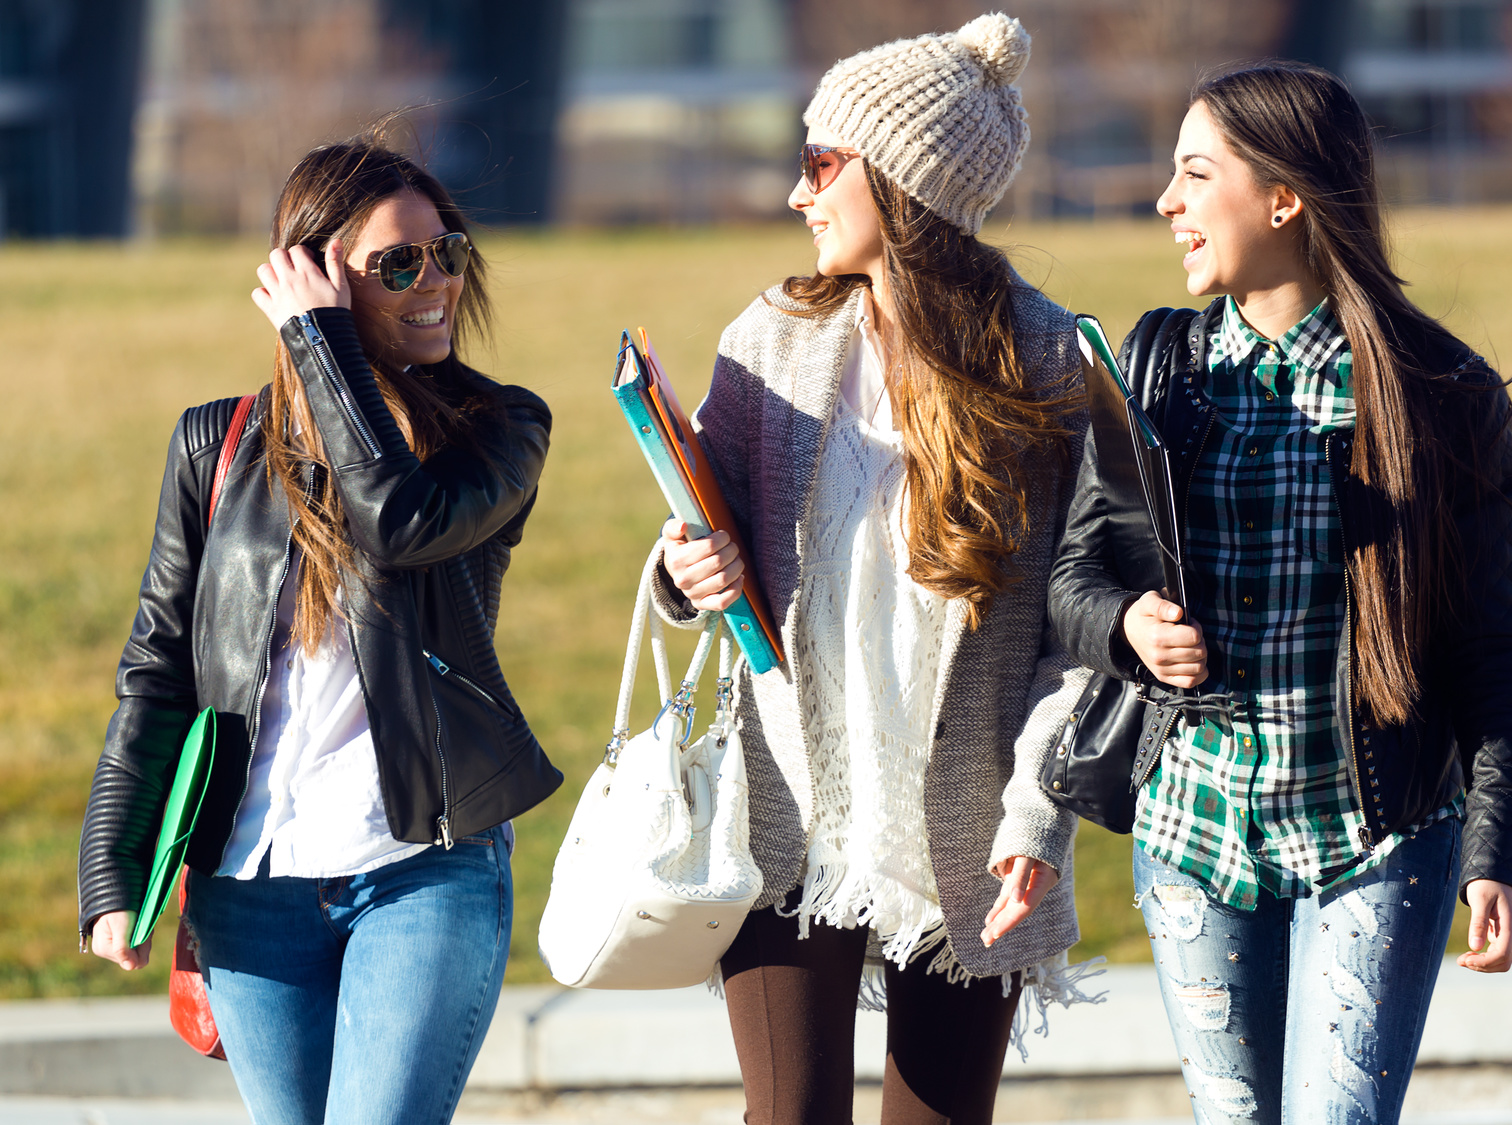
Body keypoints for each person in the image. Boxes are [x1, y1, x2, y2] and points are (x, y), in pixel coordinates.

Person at [1048, 62, 1512, 1124]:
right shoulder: (1156, 365)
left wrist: (1495, 854)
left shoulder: (1438, 395)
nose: (1164, 203)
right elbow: (1074, 580)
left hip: (1375, 840)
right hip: (1191, 838)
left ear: (1283, 198)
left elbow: (1490, 649)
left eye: (1193, 175)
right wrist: (1127, 626)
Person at [651, 14, 1095, 1125]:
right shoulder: (772, 340)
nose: (797, 194)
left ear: (900, 182)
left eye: (818, 164)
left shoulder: (1043, 361)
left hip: (966, 831)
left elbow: (1071, 633)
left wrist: (1036, 817)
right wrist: (679, 568)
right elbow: (697, 535)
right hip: (788, 804)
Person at [76, 138, 561, 1125]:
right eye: (398, 264)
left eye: (447, 251)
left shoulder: (498, 429)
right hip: (248, 884)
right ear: (310, 275)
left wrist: (321, 344)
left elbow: (399, 520)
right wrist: (110, 869)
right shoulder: (216, 445)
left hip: (419, 869)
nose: (436, 283)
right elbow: (160, 669)